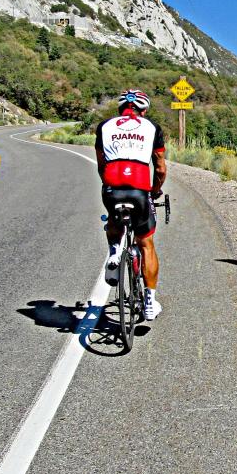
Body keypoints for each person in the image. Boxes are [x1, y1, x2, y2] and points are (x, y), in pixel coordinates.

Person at [95, 89, 167, 321]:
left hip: (111, 187)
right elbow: (161, 168)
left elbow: (101, 164)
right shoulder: (151, 127)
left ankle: (115, 251)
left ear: (120, 109)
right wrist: (155, 189)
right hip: (139, 189)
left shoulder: (104, 126)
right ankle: (149, 301)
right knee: (146, 243)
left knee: (113, 217)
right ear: (144, 110)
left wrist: (110, 185)